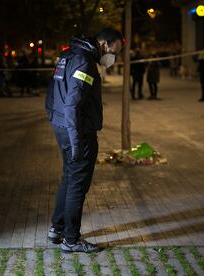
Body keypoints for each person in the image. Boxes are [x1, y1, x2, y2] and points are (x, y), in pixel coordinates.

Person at [45, 28, 123, 253]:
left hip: (63, 127)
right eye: (114, 50)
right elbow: (72, 104)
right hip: (77, 132)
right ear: (104, 44)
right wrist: (76, 140)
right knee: (77, 185)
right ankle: (71, 240)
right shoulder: (84, 62)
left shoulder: (68, 55)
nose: (113, 57)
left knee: (69, 178)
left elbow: (52, 94)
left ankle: (57, 229)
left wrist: (54, 120)